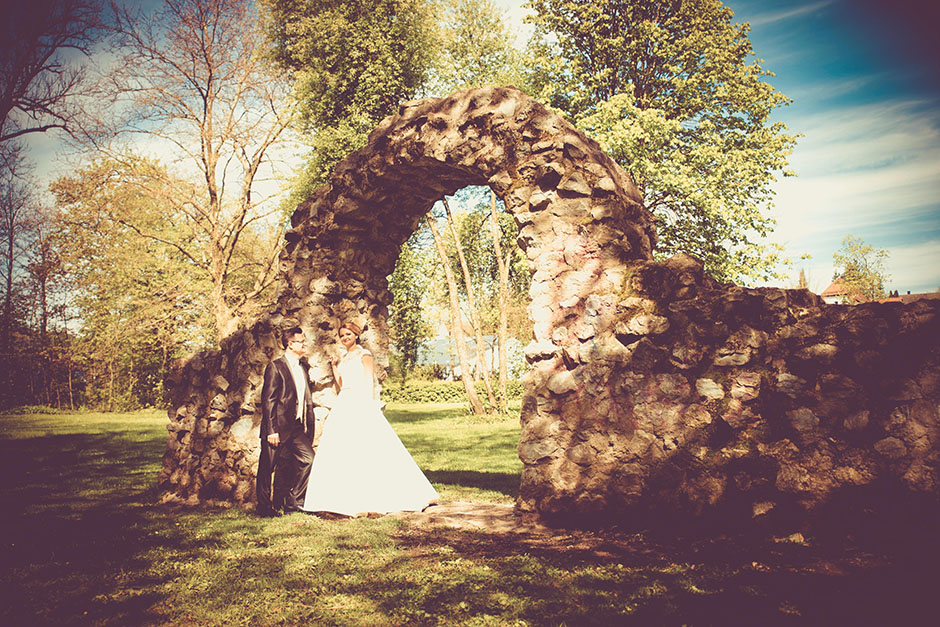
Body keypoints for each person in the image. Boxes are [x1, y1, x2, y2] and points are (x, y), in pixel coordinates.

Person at [302, 321, 439, 516]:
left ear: (356, 335)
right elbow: (341, 384)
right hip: (344, 401)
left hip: (359, 400)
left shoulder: (364, 355)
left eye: (348, 334)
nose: (345, 338)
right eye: (342, 335)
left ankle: (377, 494)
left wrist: (368, 404)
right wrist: (334, 366)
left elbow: (368, 381)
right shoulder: (345, 357)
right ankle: (338, 498)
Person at [257, 326, 315, 517]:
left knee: (308, 459)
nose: (304, 343)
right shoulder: (275, 366)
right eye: (301, 341)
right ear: (290, 344)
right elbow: (269, 400)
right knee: (268, 467)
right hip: (277, 427)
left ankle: (294, 504)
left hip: (297, 427)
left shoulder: (303, 367)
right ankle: (265, 508)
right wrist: (271, 430)